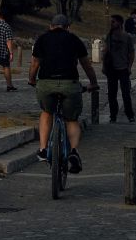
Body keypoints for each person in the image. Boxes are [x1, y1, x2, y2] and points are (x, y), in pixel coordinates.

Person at [28, 14, 99, 172]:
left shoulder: (43, 39)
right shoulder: (74, 39)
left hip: (46, 83)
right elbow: (87, 65)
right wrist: (93, 83)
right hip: (70, 84)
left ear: (51, 26)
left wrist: (32, 79)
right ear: (68, 27)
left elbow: (35, 63)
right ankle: (74, 151)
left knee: (47, 112)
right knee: (72, 120)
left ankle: (43, 149)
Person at [101, 14, 136, 123]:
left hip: (123, 68)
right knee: (112, 94)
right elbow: (106, 52)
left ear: (120, 23)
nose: (111, 24)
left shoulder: (127, 37)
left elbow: (131, 53)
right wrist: (104, 66)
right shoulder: (109, 36)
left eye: (113, 22)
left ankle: (130, 115)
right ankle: (113, 115)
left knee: (126, 94)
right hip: (111, 69)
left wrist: (129, 67)